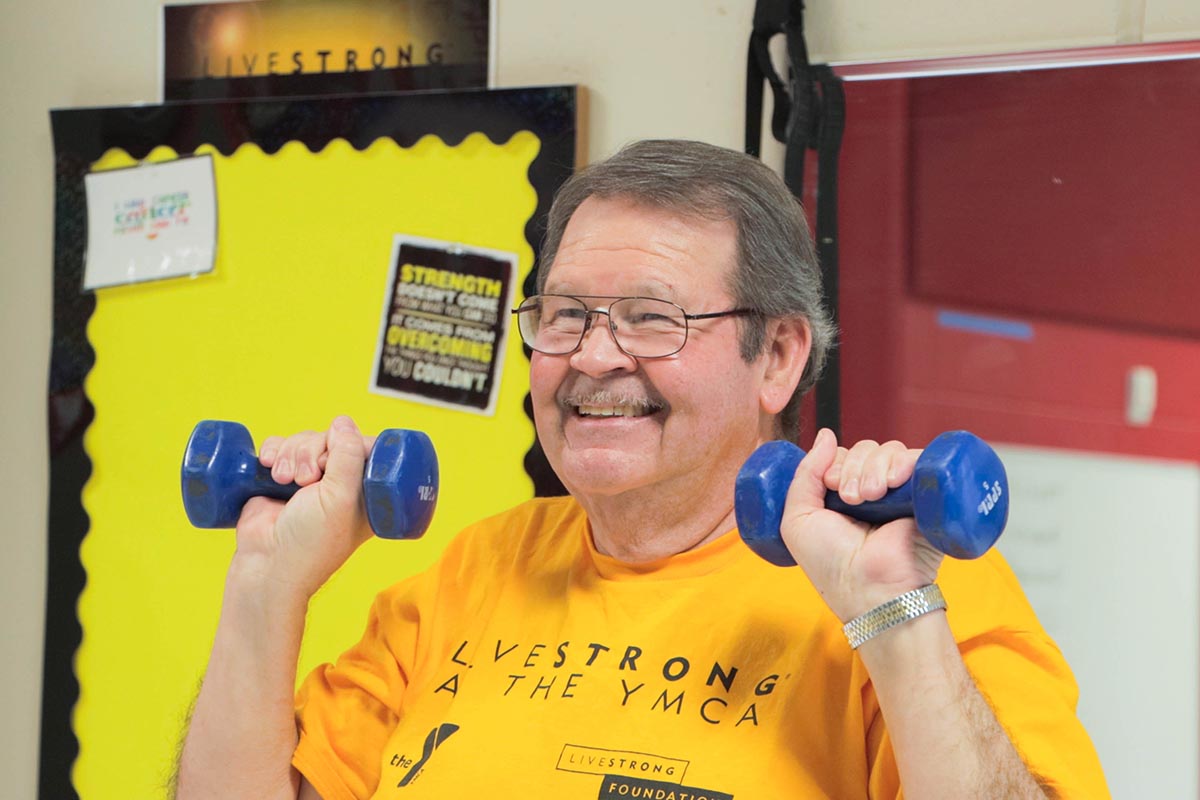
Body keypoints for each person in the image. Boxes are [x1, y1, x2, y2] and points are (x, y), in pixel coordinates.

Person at [175, 140, 1108, 799]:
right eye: (564, 315)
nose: (591, 357)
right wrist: (266, 583)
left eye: (654, 318)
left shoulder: (915, 589)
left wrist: (893, 620)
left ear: (777, 357)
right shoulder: (477, 569)